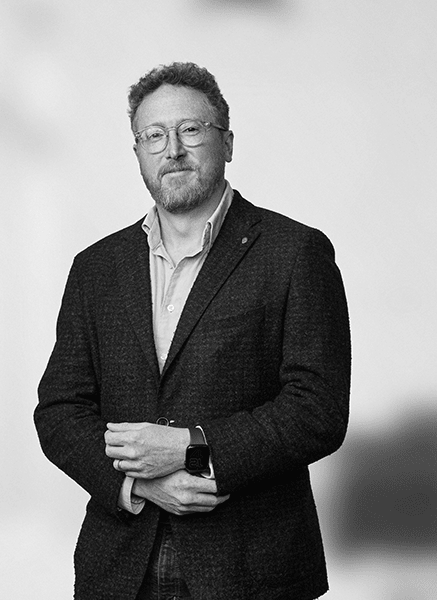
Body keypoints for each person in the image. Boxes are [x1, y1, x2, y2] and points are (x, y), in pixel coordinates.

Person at [34, 61, 351, 600]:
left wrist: (190, 448)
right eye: (154, 135)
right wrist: (139, 483)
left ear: (227, 143)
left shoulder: (295, 253)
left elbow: (317, 411)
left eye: (190, 129)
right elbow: (60, 411)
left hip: (252, 571)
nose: (173, 149)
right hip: (120, 570)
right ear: (138, 152)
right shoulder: (96, 268)